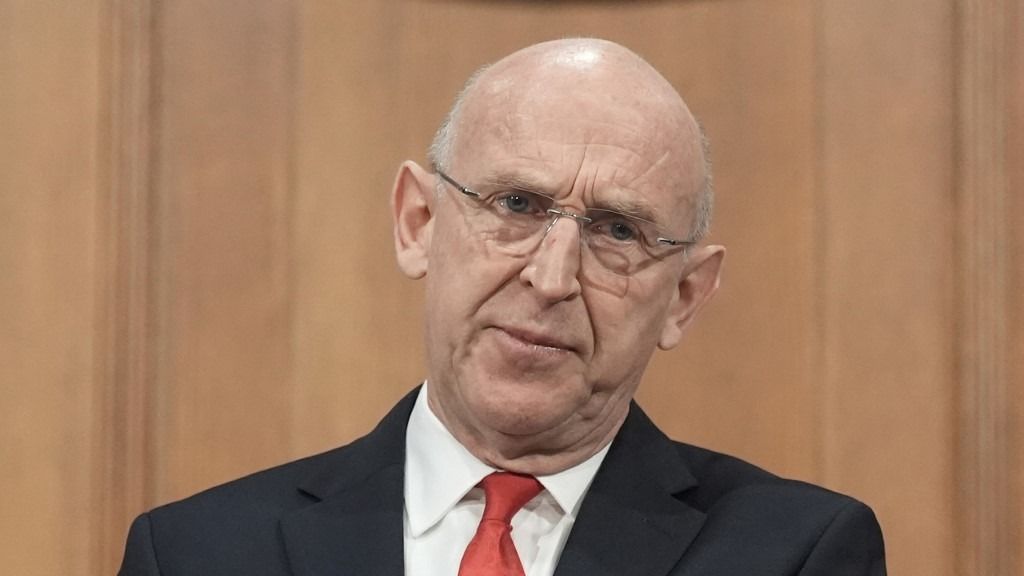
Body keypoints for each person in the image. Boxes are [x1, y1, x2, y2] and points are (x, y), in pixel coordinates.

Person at [119, 38, 886, 575]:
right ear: (418, 222)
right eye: (516, 204)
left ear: (684, 296)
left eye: (618, 231)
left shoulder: (795, 553)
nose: (552, 278)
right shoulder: (195, 554)